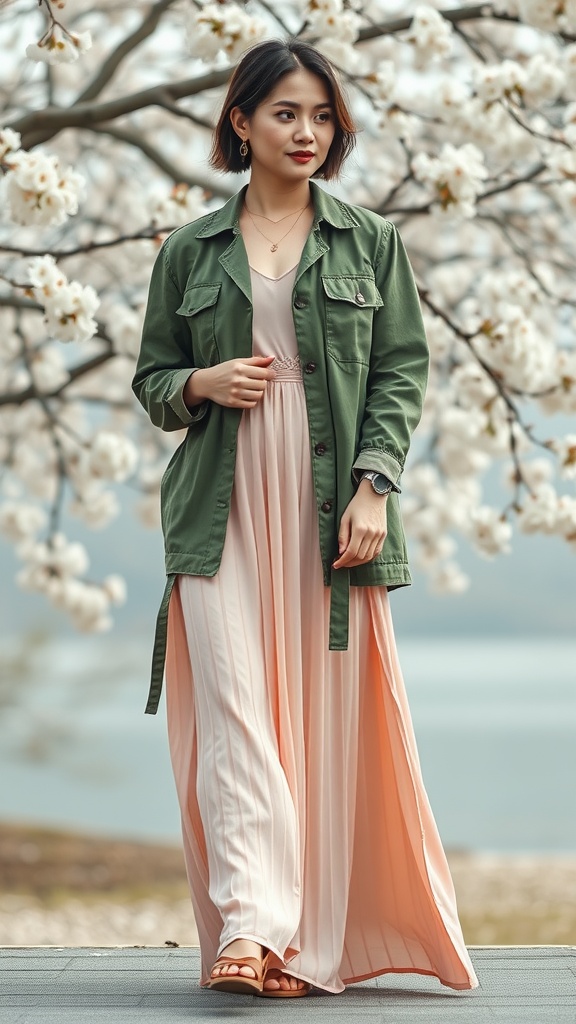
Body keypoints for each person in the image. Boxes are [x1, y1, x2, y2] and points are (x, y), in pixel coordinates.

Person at [132, 37, 479, 999]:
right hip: (219, 507)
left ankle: (296, 945)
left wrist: (375, 485)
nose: (308, 132)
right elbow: (153, 380)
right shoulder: (188, 249)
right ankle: (250, 929)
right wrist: (200, 380)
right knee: (236, 714)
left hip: (331, 505)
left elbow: (401, 373)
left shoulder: (370, 241)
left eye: (322, 115)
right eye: (286, 112)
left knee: (321, 722)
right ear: (241, 122)